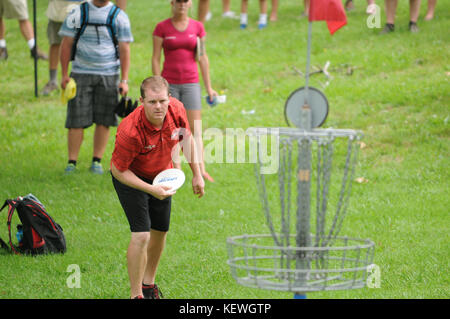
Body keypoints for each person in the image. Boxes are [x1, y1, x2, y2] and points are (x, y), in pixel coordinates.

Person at [111, 76, 205, 299]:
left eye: (162, 100)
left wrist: (197, 174)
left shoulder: (176, 109)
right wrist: (150, 190)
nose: (158, 106)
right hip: (131, 178)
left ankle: (148, 284)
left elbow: (186, 138)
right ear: (141, 101)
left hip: (162, 175)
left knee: (160, 231)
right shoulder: (130, 130)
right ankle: (136, 295)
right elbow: (118, 170)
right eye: (152, 102)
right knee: (141, 235)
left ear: (170, 98)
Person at [59, 0, 133, 175]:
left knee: (104, 119)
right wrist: (64, 74)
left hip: (109, 74)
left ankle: (96, 161)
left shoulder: (119, 16)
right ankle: (72, 162)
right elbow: (66, 44)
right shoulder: (77, 13)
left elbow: (125, 50)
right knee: (76, 119)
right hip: (80, 73)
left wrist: (124, 80)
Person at [152, 0, 217, 182]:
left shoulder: (197, 27)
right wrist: (158, 85)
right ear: (172, 3)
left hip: (191, 83)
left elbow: (202, 57)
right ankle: (175, 170)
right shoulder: (161, 28)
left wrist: (209, 87)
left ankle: (201, 170)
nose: (181, 4)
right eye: (178, 1)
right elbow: (156, 58)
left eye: (185, 1)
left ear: (190, 4)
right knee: (171, 129)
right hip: (169, 84)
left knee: (195, 129)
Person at [41, 0, 84, 96]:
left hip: (80, 6)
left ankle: (80, 80)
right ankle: (52, 81)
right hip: (58, 7)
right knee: (55, 42)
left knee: (80, 43)